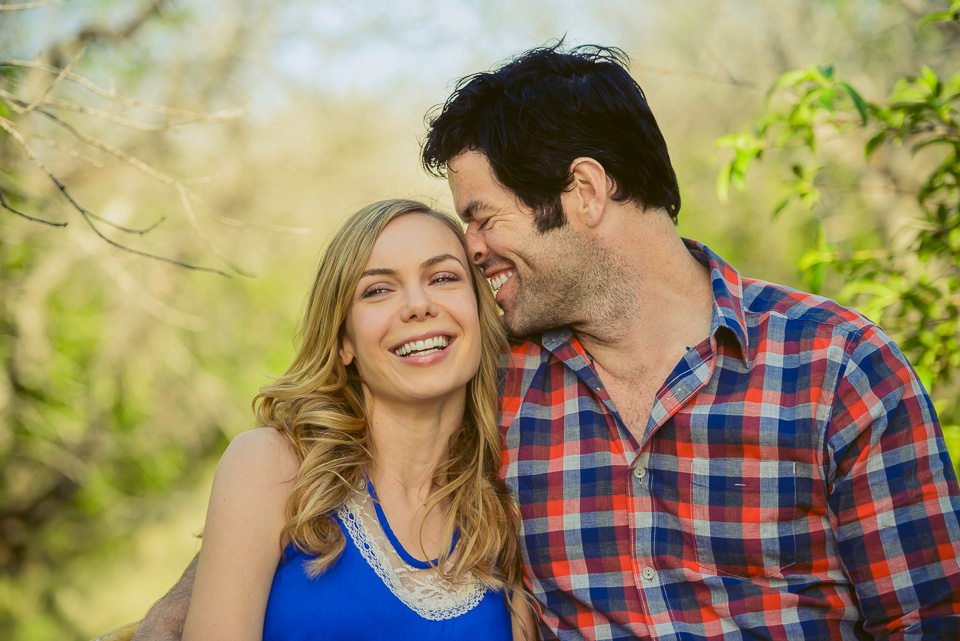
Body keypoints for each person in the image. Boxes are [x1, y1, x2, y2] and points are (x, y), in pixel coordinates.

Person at [135, 45, 960, 640]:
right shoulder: (503, 390)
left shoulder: (837, 372)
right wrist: (190, 595)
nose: (476, 247)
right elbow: (334, 465)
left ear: (585, 191)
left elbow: (928, 618)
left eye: (482, 217)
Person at [149, 199, 535, 641]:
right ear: (343, 341)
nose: (418, 304)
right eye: (377, 290)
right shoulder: (270, 468)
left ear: (481, 316)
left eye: (443, 277)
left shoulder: (506, 507)